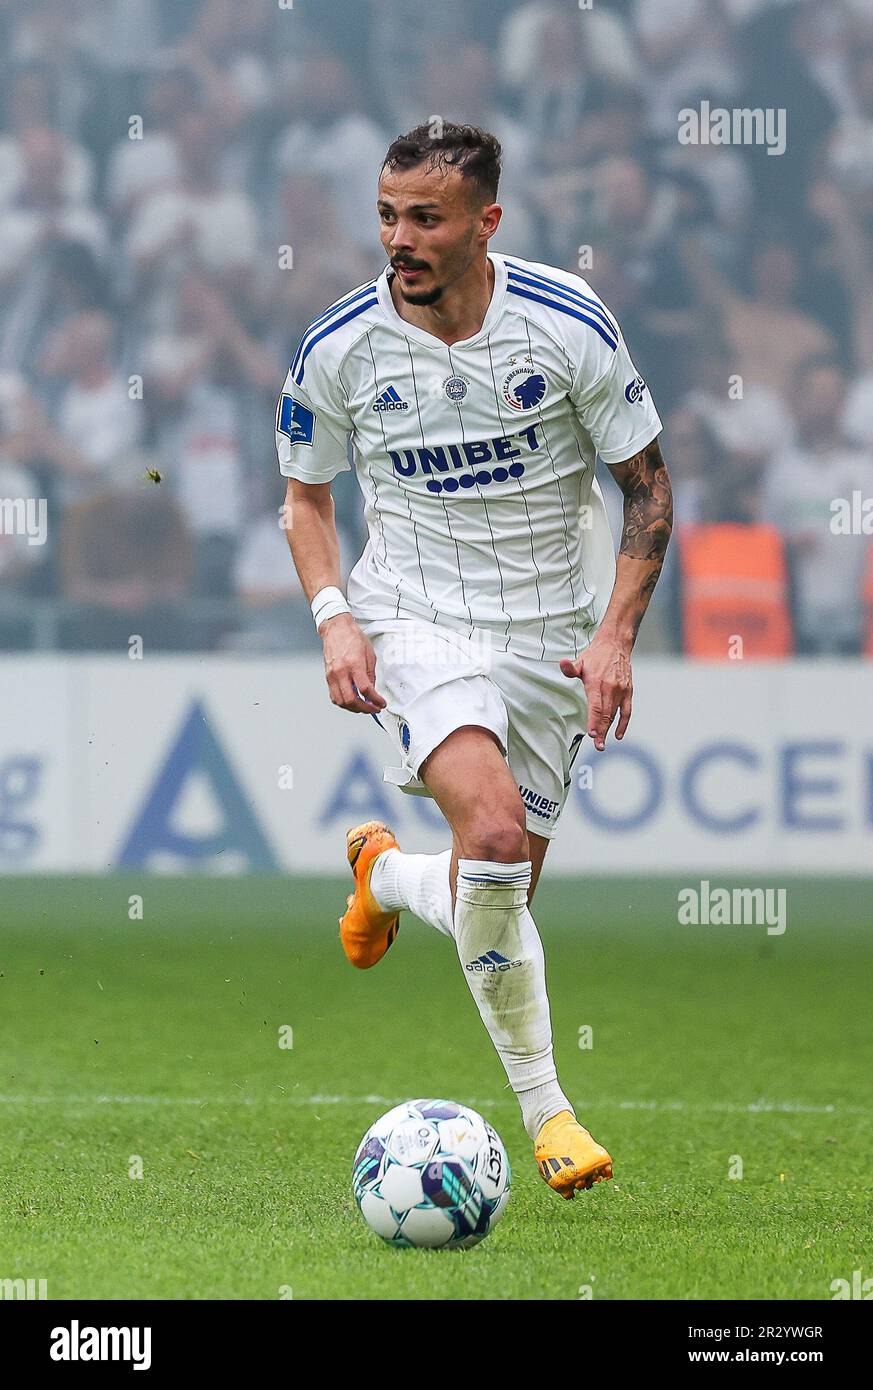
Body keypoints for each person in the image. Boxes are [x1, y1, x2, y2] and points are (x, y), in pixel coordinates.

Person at [275, 124, 673, 1200]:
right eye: (387, 215)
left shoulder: (567, 325)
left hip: (548, 632)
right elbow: (306, 499)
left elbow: (647, 486)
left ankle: (387, 875)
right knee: (493, 834)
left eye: (426, 218)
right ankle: (550, 1113)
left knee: (495, 890)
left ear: (486, 222)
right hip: (413, 617)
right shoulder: (341, 345)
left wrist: (615, 636)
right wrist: (335, 619)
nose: (400, 238)